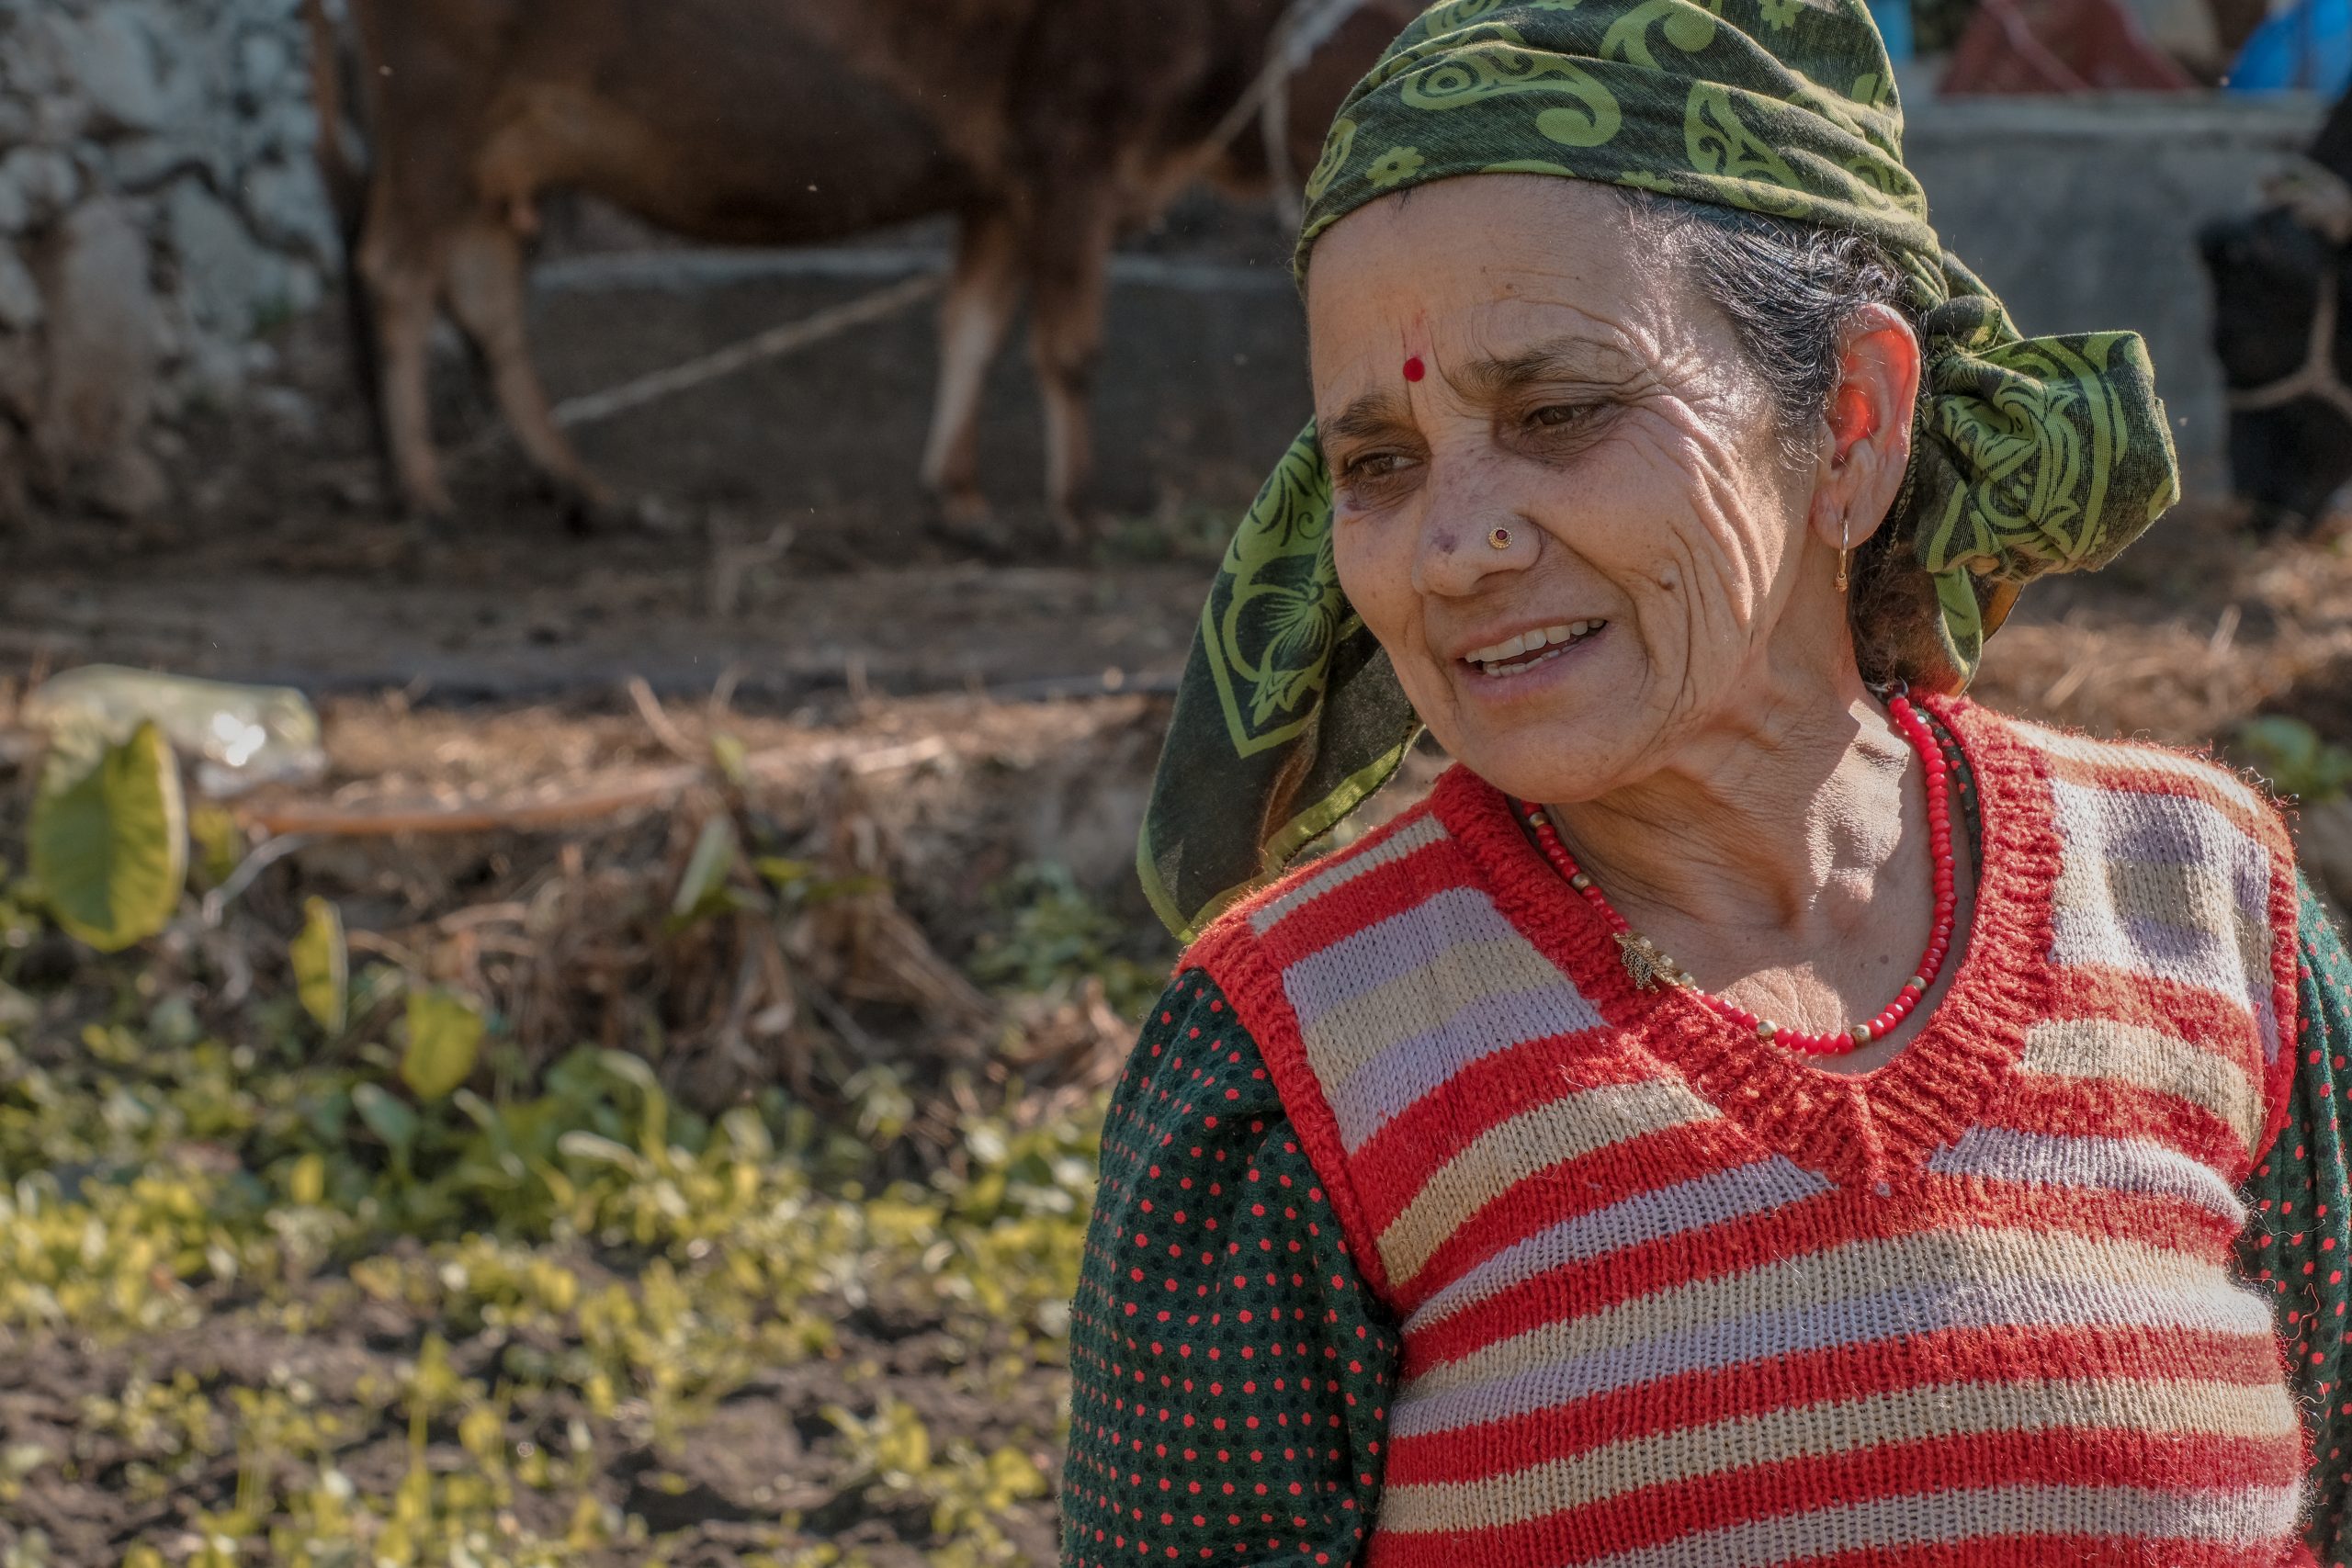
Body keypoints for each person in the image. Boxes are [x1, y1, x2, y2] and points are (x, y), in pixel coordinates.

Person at [1059, 2, 2352, 1564]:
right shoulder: (1296, 1058)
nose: (1455, 544)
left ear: (1851, 428)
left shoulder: (2204, 911)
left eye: (1559, 413)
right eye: (1379, 463)